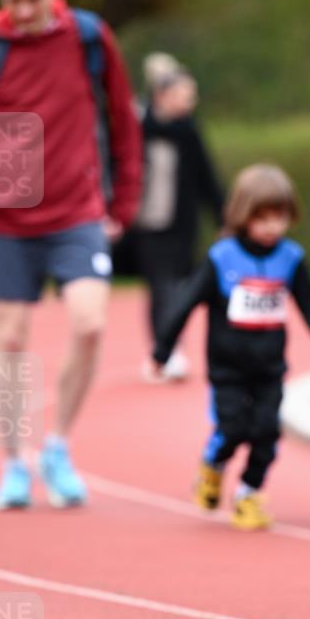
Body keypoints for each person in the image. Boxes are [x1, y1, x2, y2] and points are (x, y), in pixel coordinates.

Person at [0, 0, 142, 509]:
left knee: (90, 322)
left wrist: (121, 205)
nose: (20, 12)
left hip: (77, 211)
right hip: (4, 217)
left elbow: (123, 122)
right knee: (9, 340)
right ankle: (12, 464)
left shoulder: (89, 37)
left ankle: (56, 446)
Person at [152, 164, 310, 529]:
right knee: (233, 428)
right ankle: (213, 465)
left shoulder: (290, 258)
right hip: (227, 369)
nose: (273, 227)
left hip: (269, 368)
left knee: (267, 433)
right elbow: (185, 302)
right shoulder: (222, 257)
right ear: (244, 216)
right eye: (264, 218)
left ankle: (247, 493)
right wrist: (163, 349)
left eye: (281, 217)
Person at [136, 53, 224, 381]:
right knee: (160, 287)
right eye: (184, 95)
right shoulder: (138, 125)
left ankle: (169, 347)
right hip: (146, 223)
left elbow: (207, 176)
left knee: (179, 285)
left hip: (181, 223)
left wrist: (223, 217)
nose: (190, 102)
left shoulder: (188, 131)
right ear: (162, 96)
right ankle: (165, 349)